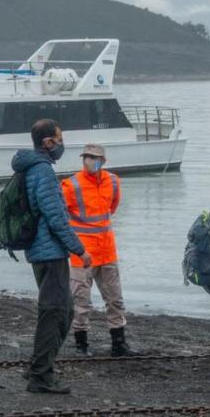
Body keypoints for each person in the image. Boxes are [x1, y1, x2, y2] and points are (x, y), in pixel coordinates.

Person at [12, 119, 92, 394]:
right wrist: (79, 249)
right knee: (54, 312)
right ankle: (40, 376)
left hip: (39, 249)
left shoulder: (30, 168)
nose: (62, 145)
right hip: (49, 252)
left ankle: (38, 365)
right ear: (48, 142)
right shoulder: (42, 171)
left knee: (65, 310)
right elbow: (56, 216)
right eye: (59, 139)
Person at [62, 143, 141, 358]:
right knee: (81, 303)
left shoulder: (113, 182)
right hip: (83, 255)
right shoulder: (71, 185)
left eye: (93, 157)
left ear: (103, 161)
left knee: (115, 299)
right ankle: (82, 346)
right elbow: (61, 218)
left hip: (107, 252)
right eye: (86, 156)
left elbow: (111, 209)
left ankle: (119, 344)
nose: (88, 160)